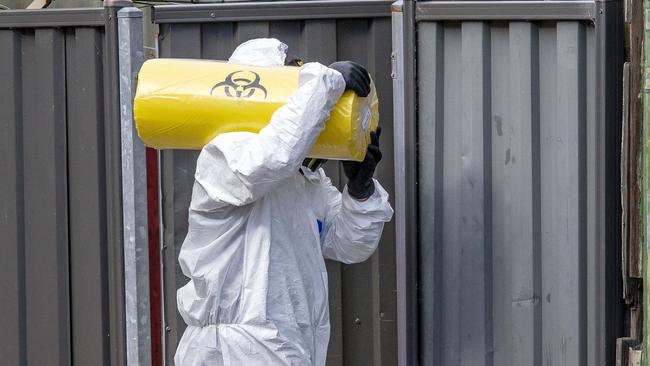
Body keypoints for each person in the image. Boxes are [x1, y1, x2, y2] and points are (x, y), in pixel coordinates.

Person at [174, 38, 393, 366]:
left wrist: (359, 189)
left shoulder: (305, 181)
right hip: (235, 348)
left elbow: (350, 245)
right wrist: (326, 81)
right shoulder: (224, 155)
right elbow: (269, 161)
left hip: (287, 343)